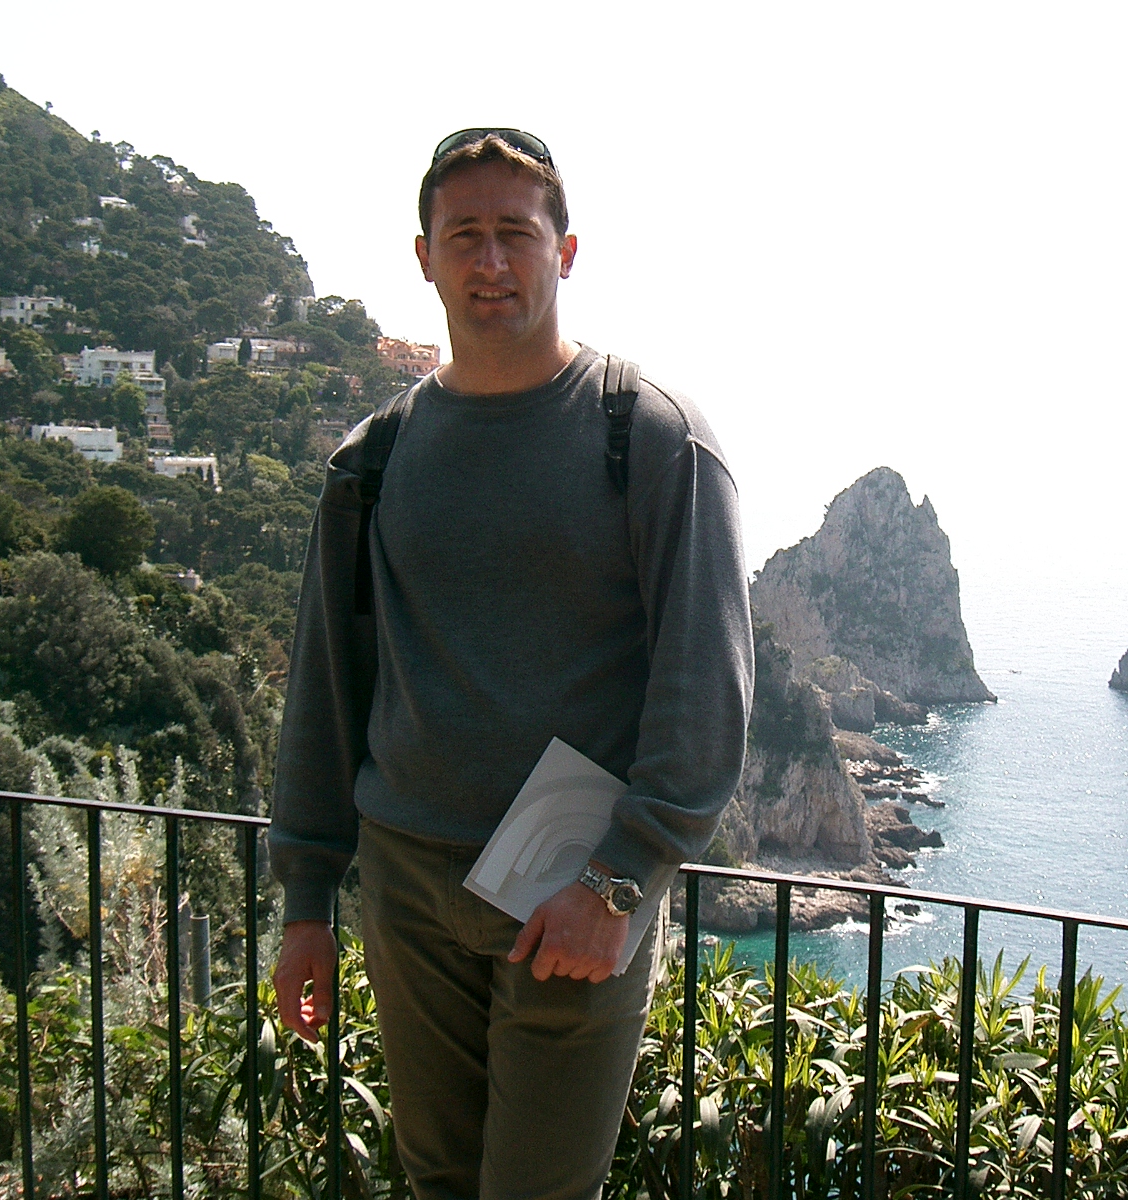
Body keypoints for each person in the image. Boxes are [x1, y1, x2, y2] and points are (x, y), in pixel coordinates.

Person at [267, 129, 753, 1200]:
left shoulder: (651, 435)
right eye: (465, 236)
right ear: (423, 257)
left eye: (515, 235)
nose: (491, 262)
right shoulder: (373, 460)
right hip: (406, 891)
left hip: (571, 893)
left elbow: (705, 687)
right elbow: (328, 689)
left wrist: (621, 879)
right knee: (436, 1181)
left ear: (565, 251)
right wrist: (308, 899)